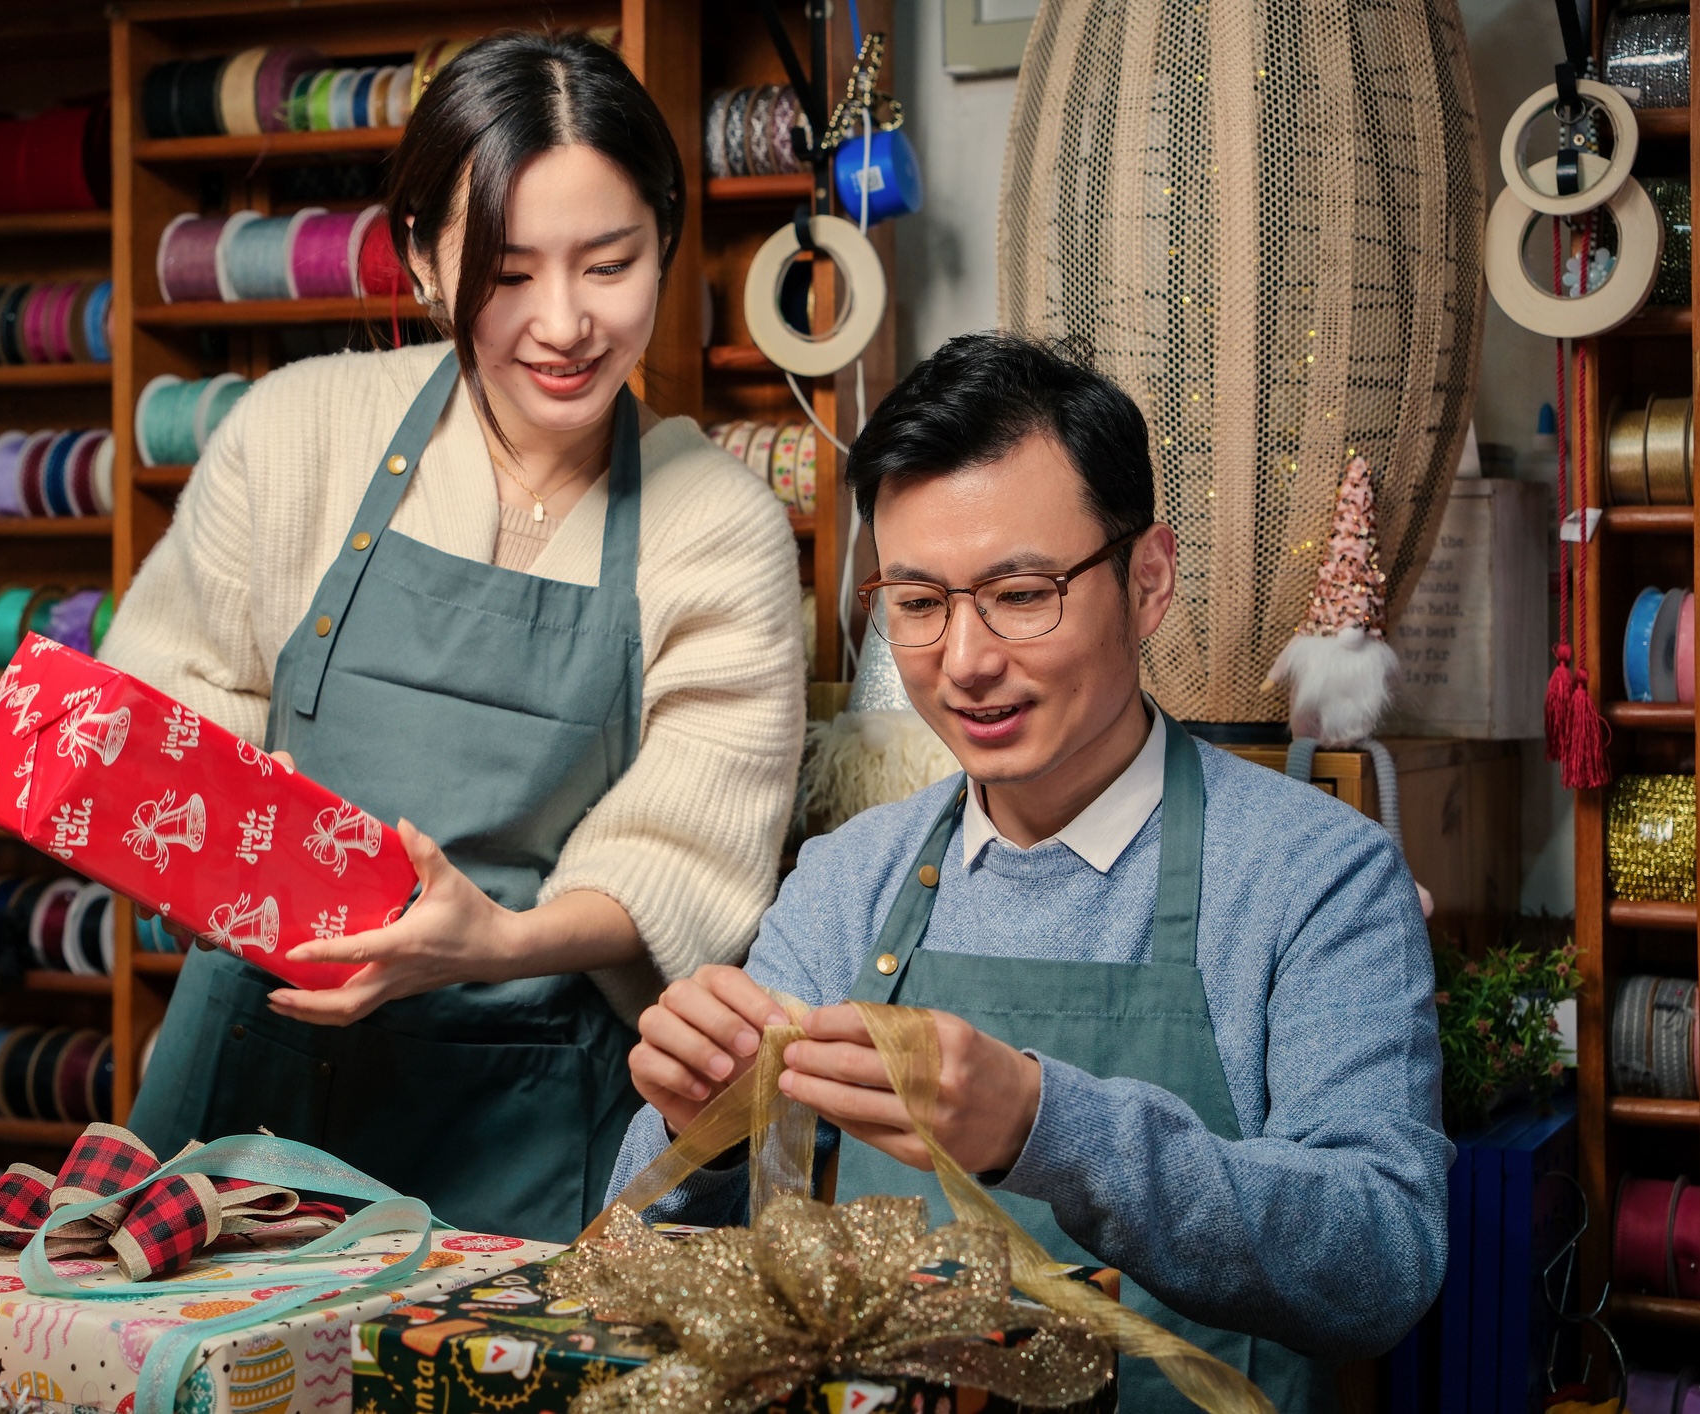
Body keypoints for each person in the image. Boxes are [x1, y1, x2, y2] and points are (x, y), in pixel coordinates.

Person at [610, 333, 1448, 1411]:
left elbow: (1384, 1257)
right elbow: (638, 1269)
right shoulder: (848, 879)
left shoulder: (1315, 874)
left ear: (1148, 580)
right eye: (917, 603)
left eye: (1020, 592)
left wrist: (1046, 1125)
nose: (965, 660)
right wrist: (693, 1131)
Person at [101, 30, 806, 1243]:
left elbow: (686, 858)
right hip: (250, 1096)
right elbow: (165, 704)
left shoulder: (719, 523)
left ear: (666, 242)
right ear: (423, 257)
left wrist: (495, 942)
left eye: (609, 262)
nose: (566, 322)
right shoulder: (296, 433)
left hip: (529, 1111)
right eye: (509, 269)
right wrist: (268, 894)